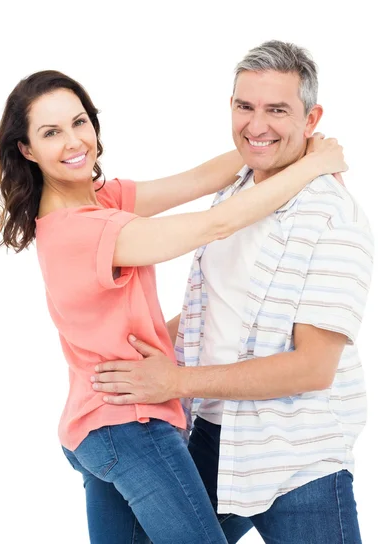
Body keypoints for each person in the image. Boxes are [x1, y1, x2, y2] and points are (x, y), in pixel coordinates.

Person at [0, 69, 345, 544]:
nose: (74, 141)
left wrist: (291, 144)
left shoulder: (102, 199)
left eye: (79, 122)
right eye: (51, 132)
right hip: (130, 426)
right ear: (27, 150)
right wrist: (313, 165)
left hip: (96, 428)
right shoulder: (83, 230)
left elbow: (203, 178)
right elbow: (216, 224)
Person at [92, 41, 374, 544]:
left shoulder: (334, 218)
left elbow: (312, 367)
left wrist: (172, 381)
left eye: (277, 110)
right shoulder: (239, 185)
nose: (256, 124)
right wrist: (133, 358)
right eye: (245, 106)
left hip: (297, 457)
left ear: (311, 119)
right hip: (214, 435)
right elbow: (218, 311)